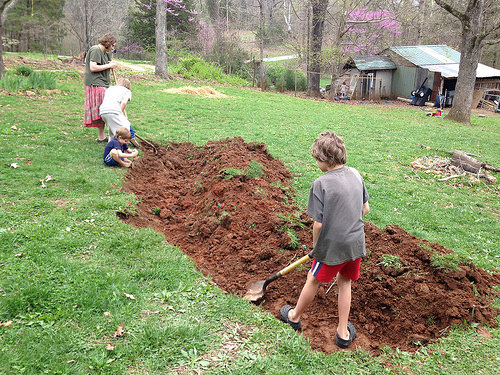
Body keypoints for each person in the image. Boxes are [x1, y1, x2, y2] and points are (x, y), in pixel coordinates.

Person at [279, 131, 370, 349]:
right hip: (356, 242)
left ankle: (293, 316)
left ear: (325, 159)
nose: (316, 163)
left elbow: (318, 224)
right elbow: (365, 209)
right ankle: (342, 332)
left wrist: (316, 246)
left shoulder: (321, 184)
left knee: (314, 279)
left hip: (331, 246)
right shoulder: (356, 174)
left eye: (316, 159)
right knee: (345, 282)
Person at [84, 33, 118, 142]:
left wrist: (111, 63)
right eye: (112, 45)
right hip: (95, 84)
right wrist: (109, 65)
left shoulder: (106, 53)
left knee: (103, 110)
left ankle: (102, 137)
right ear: (108, 43)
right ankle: (106, 135)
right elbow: (93, 67)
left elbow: (108, 63)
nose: (113, 48)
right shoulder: (95, 50)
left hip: (104, 83)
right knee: (103, 111)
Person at [99, 78, 137, 142]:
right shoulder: (127, 91)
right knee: (125, 128)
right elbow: (124, 103)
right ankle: (122, 146)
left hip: (103, 111)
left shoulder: (110, 89)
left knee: (112, 129)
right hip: (114, 111)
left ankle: (111, 145)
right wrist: (120, 113)